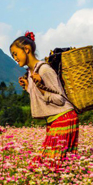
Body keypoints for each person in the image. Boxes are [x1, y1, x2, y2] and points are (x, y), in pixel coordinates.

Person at [10, 31, 79, 159]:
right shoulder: (32, 72)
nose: (15, 58)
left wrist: (40, 87)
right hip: (54, 121)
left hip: (63, 118)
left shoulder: (44, 70)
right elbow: (42, 96)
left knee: (49, 165)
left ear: (26, 49)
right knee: (55, 165)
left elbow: (59, 99)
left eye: (15, 54)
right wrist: (28, 87)